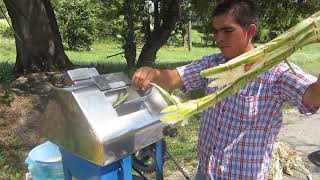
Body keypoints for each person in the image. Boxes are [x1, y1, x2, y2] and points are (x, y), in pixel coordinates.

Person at [131, 0, 320, 179]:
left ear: (250, 31)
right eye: (216, 31)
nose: (219, 38)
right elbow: (176, 77)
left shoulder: (275, 71)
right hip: (205, 172)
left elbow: (312, 97)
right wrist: (153, 73)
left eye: (228, 30)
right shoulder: (213, 64)